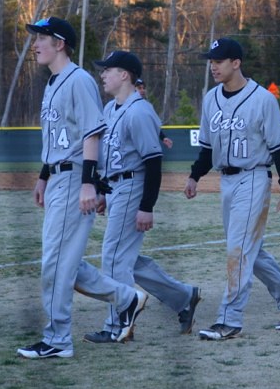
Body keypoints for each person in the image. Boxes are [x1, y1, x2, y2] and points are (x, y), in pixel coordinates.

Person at [17, 17, 146, 359]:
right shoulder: (53, 82)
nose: (35, 45)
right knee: (64, 262)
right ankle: (126, 298)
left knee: (55, 263)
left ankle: (58, 340)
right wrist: (44, 175)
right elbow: (59, 137)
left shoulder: (79, 80)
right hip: (58, 177)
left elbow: (92, 134)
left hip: (75, 178)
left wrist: (89, 184)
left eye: (41, 38)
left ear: (60, 43)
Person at [183, 38, 280, 340]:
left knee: (238, 250)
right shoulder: (211, 99)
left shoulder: (263, 99)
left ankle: (229, 319)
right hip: (226, 181)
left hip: (253, 177)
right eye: (211, 61)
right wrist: (195, 176)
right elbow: (207, 147)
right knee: (249, 249)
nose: (213, 67)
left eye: (219, 61)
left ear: (236, 63)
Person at [82, 50, 201, 344]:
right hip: (116, 187)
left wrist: (147, 206)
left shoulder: (139, 111)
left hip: (134, 187)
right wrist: (103, 191)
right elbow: (111, 156)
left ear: (124, 75)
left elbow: (153, 162)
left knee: (113, 256)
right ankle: (183, 297)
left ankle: (117, 325)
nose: (102, 75)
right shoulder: (110, 109)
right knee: (128, 259)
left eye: (108, 70)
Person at [135, 78, 173, 148]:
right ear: (134, 90)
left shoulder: (148, 106)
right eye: (139, 88)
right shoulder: (126, 106)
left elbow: (154, 125)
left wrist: (163, 137)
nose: (142, 90)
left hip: (146, 144)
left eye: (143, 88)